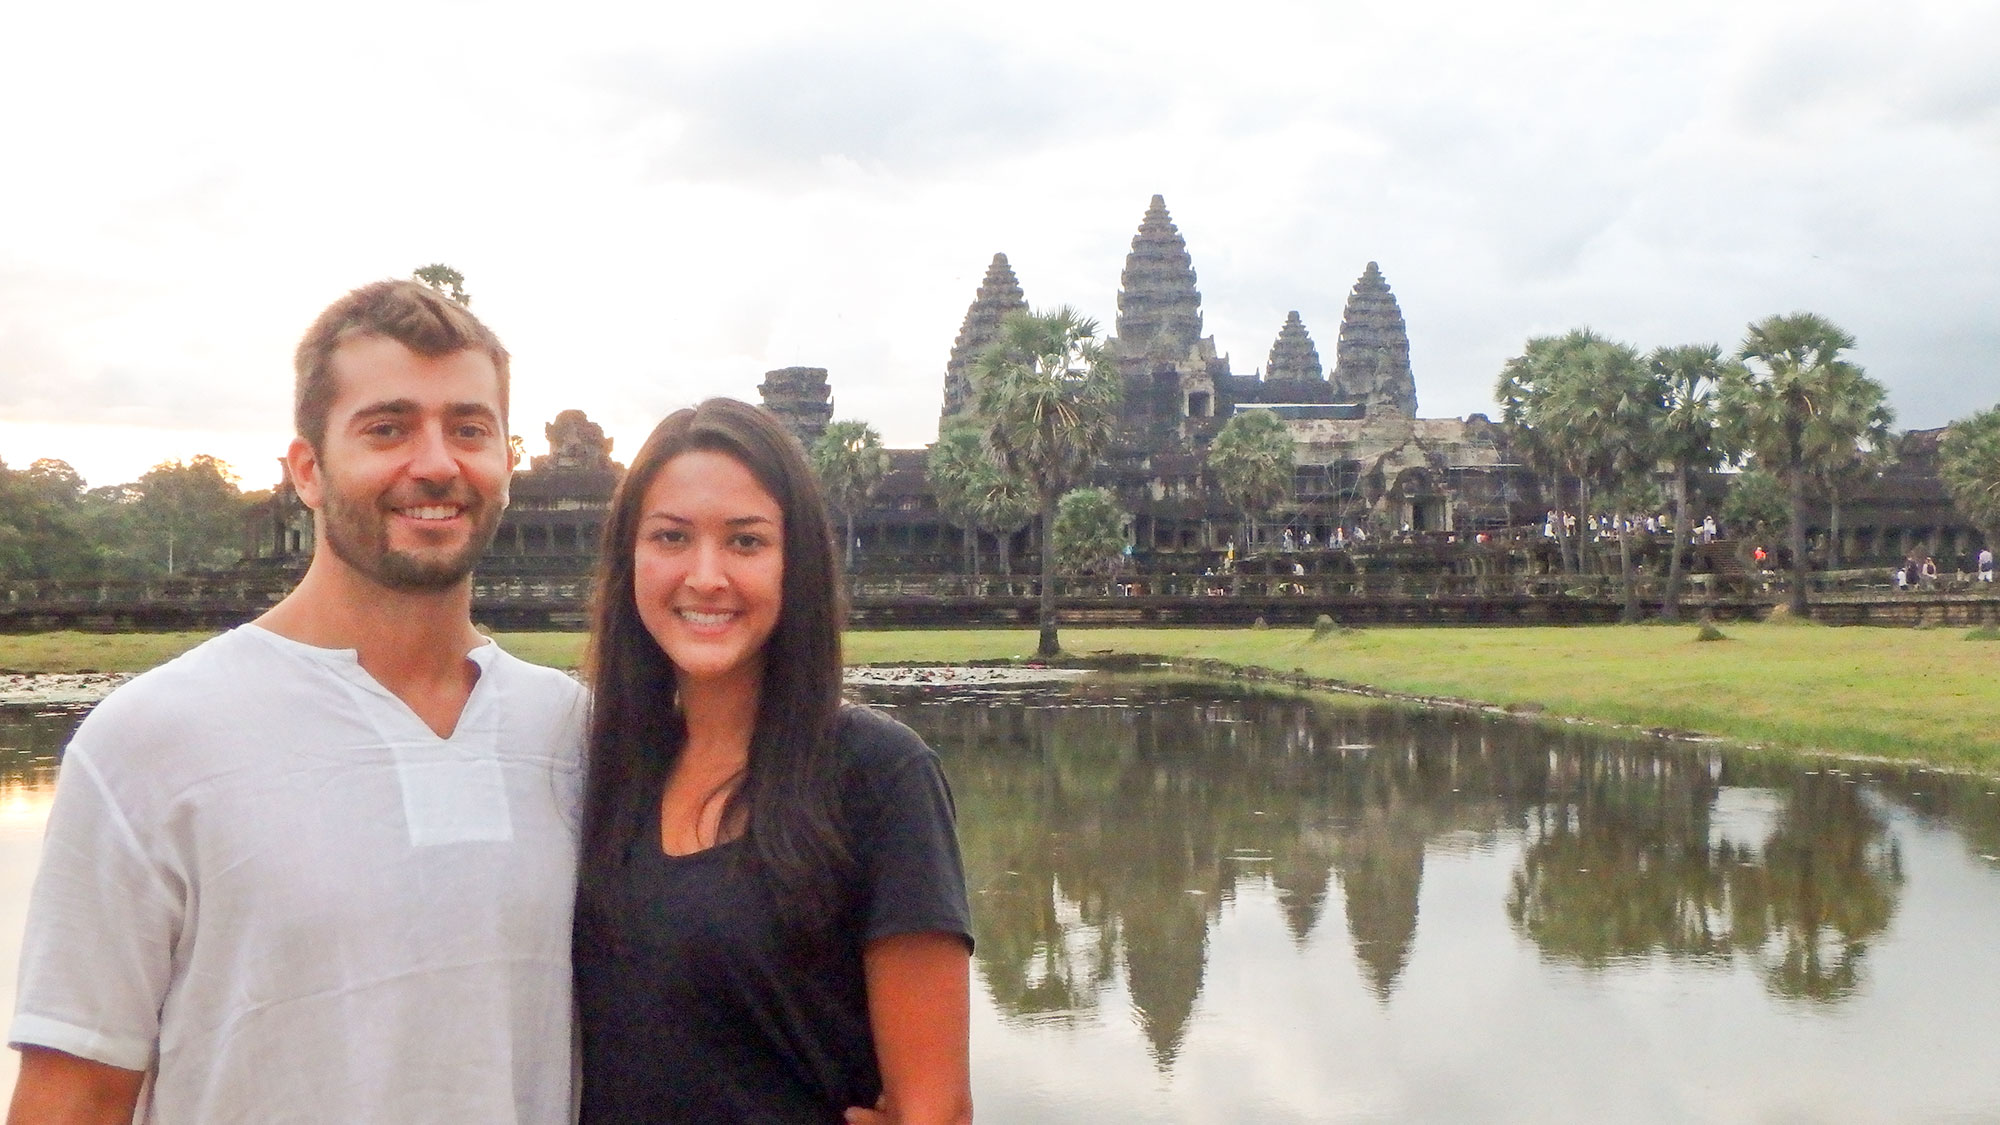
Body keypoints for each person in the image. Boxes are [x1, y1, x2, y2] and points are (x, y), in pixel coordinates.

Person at [6, 281, 587, 1123]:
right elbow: (74, 1097)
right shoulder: (152, 742)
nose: (435, 463)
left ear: (505, 458)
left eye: (469, 428)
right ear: (307, 470)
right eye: (387, 428)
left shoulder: (574, 731)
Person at [573, 398, 973, 1124]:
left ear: (797, 564)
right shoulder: (595, 764)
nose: (705, 576)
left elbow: (933, 1110)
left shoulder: (880, 777)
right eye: (670, 536)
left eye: (746, 542)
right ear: (629, 557)